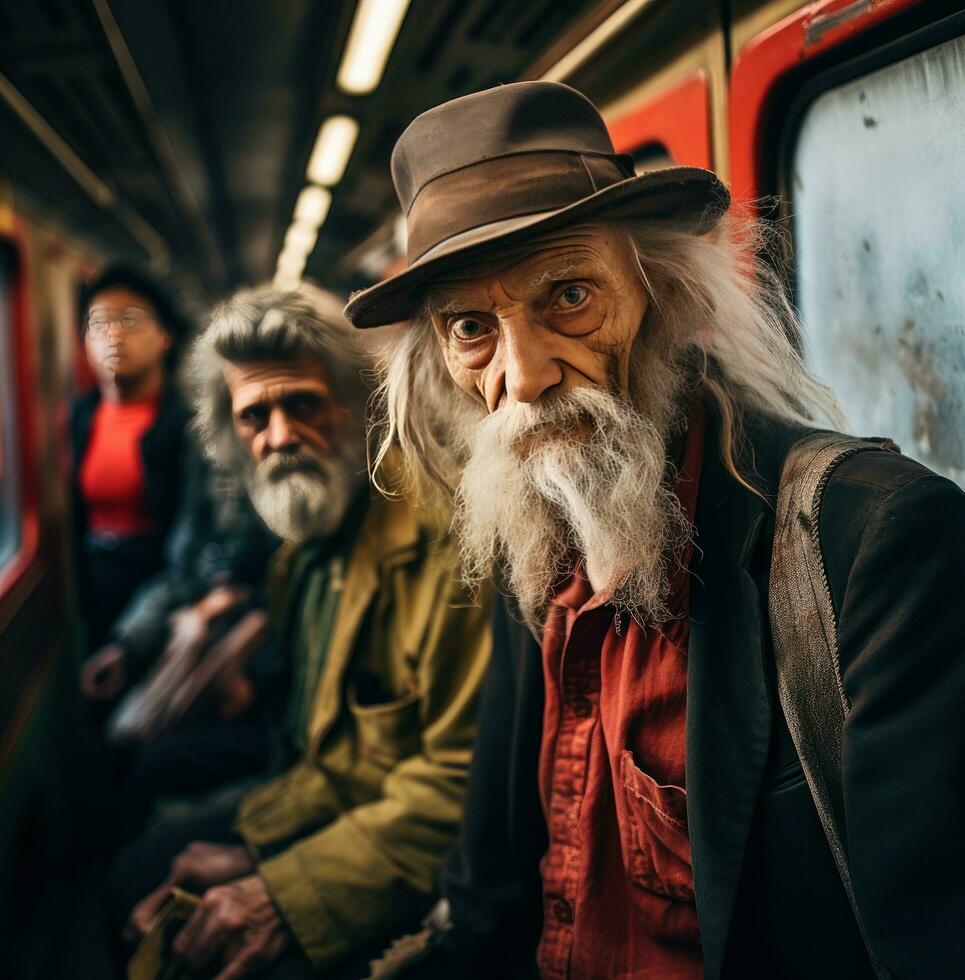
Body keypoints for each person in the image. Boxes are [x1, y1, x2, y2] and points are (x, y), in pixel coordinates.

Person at [346, 82, 965, 978]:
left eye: (566, 297)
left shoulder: (874, 544)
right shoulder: (533, 546)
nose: (520, 378)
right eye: (472, 328)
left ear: (666, 297)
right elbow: (488, 894)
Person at [113, 285, 492, 979]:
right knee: (142, 863)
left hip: (417, 854)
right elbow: (323, 750)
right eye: (254, 416)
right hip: (335, 796)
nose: (279, 436)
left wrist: (280, 883)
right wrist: (261, 842)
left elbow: (459, 786)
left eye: (303, 405)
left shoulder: (444, 549)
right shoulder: (303, 543)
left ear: (354, 405)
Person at [80, 440, 282, 836]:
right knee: (114, 737)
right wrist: (125, 645)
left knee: (155, 765)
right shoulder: (204, 460)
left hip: (254, 653)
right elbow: (178, 572)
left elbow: (285, 590)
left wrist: (253, 665)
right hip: (194, 627)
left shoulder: (291, 497)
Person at [71, 265, 192, 654]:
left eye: (131, 320)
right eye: (99, 322)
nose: (114, 334)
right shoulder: (81, 417)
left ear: (164, 336)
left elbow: (192, 535)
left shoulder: (186, 425)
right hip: (96, 584)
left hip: (164, 590)